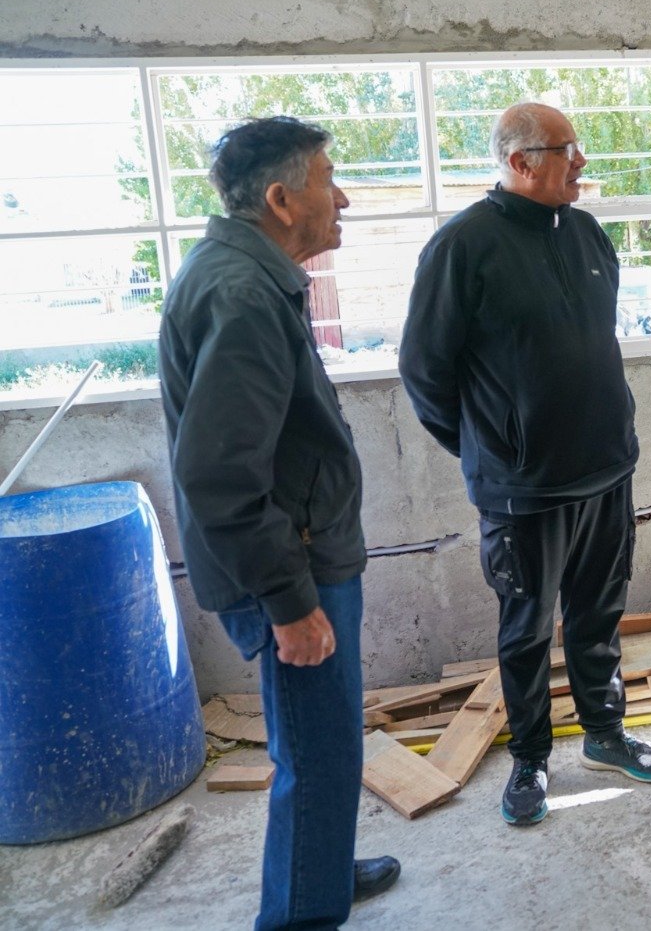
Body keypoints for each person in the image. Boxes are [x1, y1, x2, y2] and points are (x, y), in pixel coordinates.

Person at [399, 102, 651, 827]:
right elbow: (425, 372)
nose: (581, 161)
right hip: (523, 489)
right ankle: (530, 758)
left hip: (606, 469)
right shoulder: (462, 246)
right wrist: (493, 447)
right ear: (521, 162)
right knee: (526, 630)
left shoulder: (585, 233)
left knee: (598, 615)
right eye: (567, 149)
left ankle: (606, 735)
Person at [160, 117, 399, 929]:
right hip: (290, 568)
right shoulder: (244, 294)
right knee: (319, 751)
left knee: (326, 744)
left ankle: (318, 870)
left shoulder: (250, 275)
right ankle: (302, 911)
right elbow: (220, 473)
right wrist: (289, 602)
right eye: (328, 179)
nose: (343, 198)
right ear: (281, 198)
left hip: (300, 551)